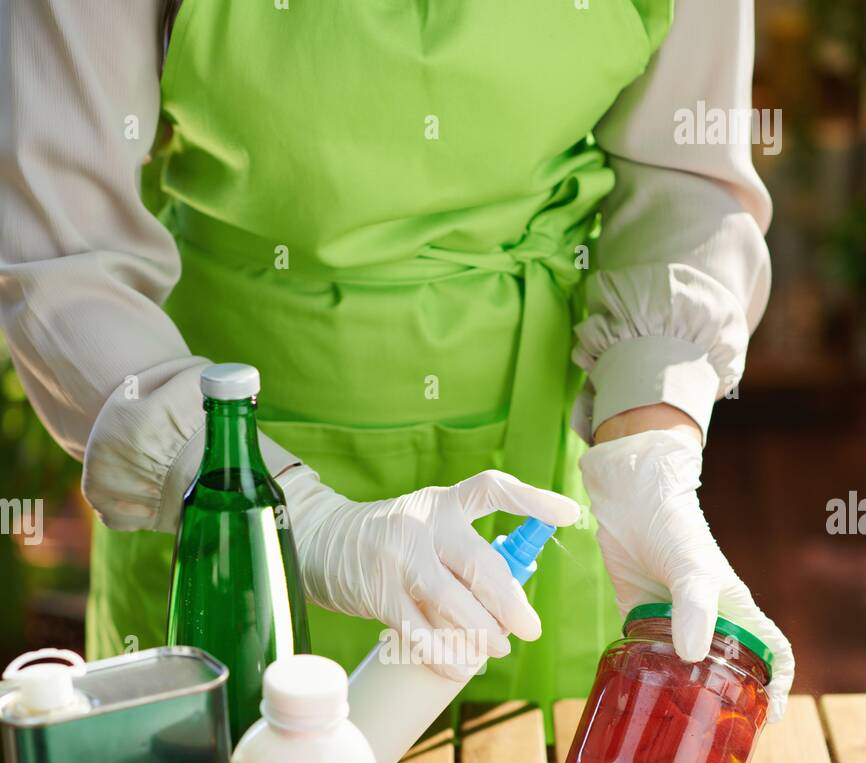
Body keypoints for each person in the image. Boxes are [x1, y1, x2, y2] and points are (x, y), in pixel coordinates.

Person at [0, 0, 793, 718]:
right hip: (213, 468)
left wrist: (646, 455)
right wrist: (287, 519)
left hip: (538, 488)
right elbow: (63, 253)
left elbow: (680, 171)